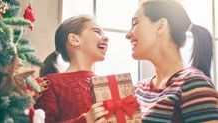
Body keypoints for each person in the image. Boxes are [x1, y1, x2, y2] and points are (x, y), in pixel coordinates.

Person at [87, 0, 218, 123]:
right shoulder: (138, 89)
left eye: (135, 23)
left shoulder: (194, 85)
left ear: (161, 26)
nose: (128, 34)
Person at [34, 15, 109, 123]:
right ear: (74, 39)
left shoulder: (106, 84)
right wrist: (85, 120)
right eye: (97, 31)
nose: (106, 38)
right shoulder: (49, 84)